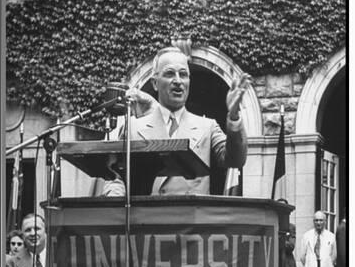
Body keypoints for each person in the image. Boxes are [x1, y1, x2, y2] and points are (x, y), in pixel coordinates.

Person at [103, 46, 251, 196]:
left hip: (190, 217)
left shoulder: (208, 127)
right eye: (169, 74)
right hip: (144, 217)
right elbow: (115, 176)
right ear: (155, 83)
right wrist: (114, 200)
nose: (178, 81)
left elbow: (234, 160)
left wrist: (234, 116)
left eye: (183, 74)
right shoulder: (133, 128)